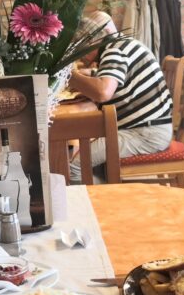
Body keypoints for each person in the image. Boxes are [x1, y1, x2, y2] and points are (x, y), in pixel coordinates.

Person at [67, 11, 173, 181]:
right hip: (145, 129)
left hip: (145, 134)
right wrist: (90, 76)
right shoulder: (119, 45)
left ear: (90, 42)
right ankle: (107, 188)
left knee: (74, 166)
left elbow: (103, 92)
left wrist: (70, 76)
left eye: (78, 51)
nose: (79, 58)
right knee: (88, 155)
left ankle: (107, 196)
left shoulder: (114, 50)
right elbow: (116, 80)